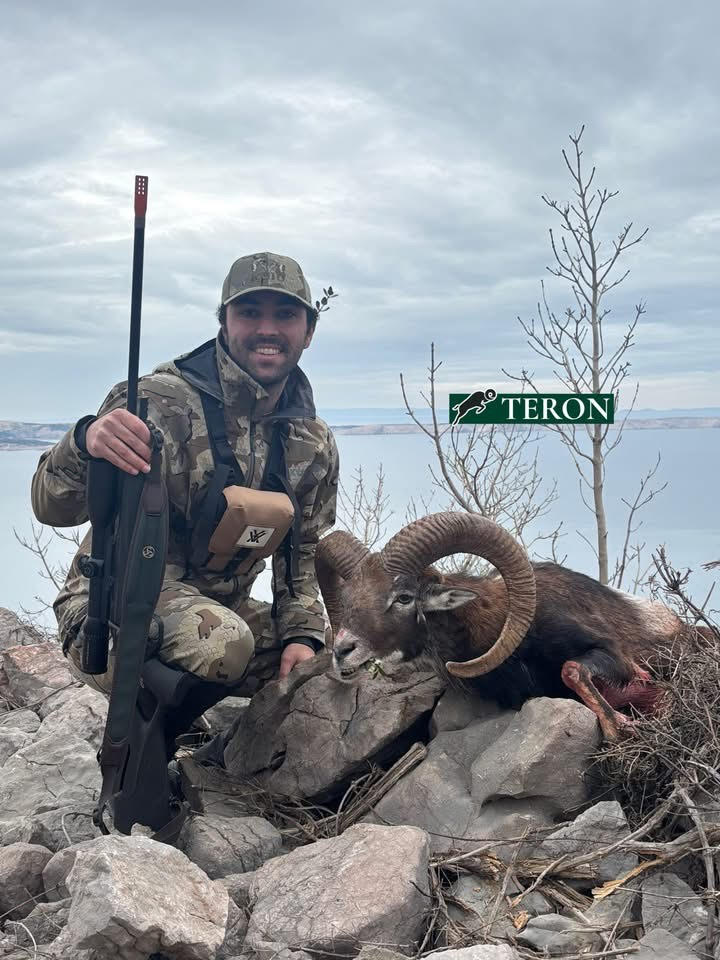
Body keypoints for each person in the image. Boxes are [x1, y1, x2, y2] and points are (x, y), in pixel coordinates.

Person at [31, 251, 339, 706]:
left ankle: (202, 741)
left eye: (286, 315)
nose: (268, 329)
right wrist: (84, 442)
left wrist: (303, 636)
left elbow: (303, 553)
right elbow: (51, 507)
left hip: (221, 611)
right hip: (110, 616)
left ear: (308, 331)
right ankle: (155, 740)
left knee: (324, 660)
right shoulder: (156, 403)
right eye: (250, 312)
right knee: (225, 643)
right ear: (225, 321)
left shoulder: (311, 441)